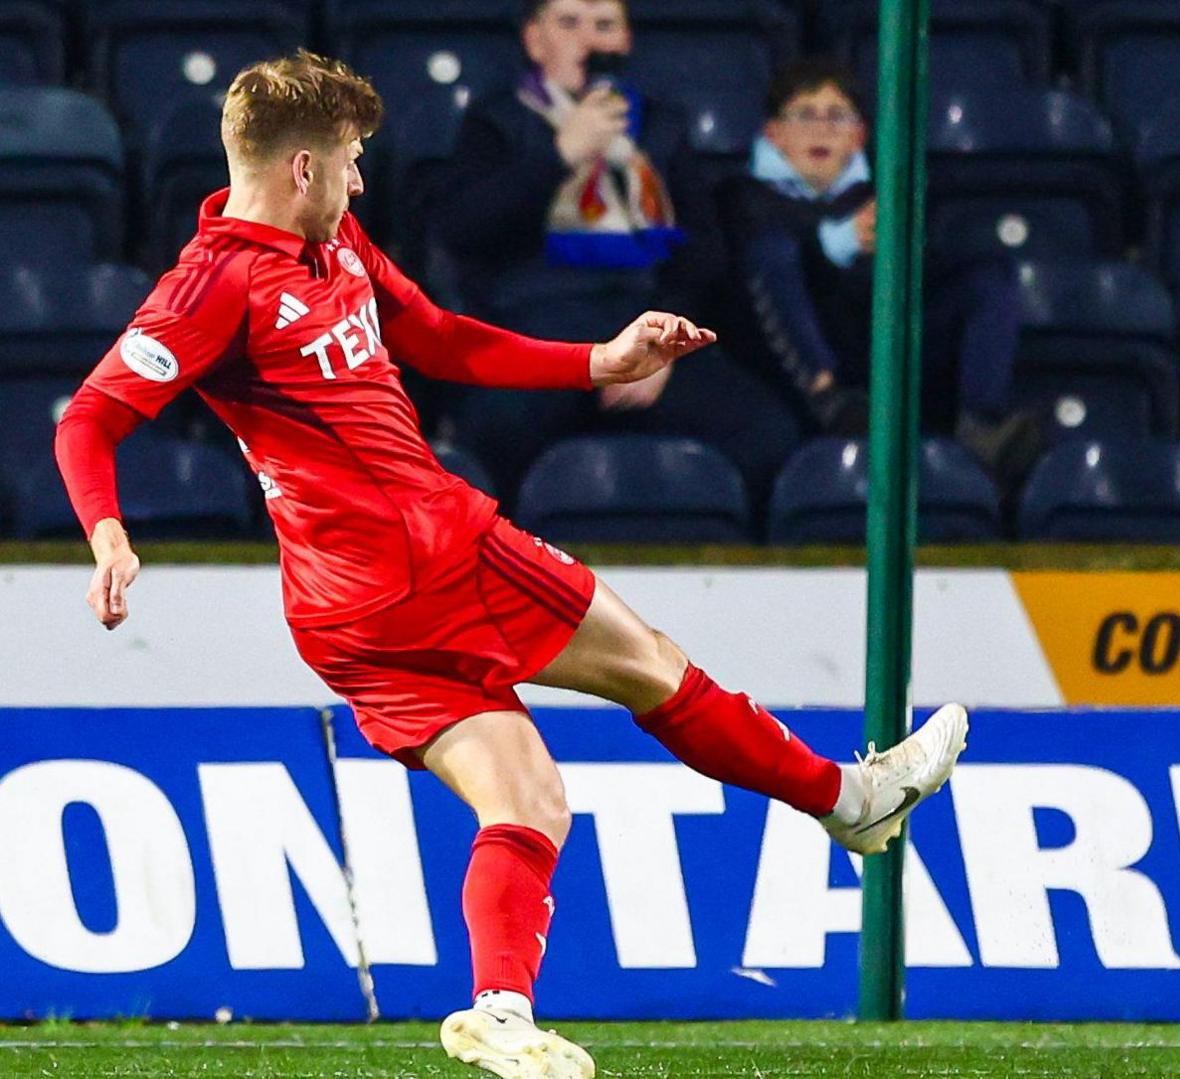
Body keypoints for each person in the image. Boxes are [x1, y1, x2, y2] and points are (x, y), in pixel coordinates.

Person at [52, 51, 967, 1079]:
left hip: (342, 609)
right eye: (351, 162)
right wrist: (108, 529)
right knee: (651, 665)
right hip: (429, 550)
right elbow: (89, 418)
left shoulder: (335, 241)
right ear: (302, 168)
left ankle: (498, 1013)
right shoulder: (213, 282)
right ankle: (845, 798)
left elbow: (436, 336)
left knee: (527, 800)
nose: (361, 182)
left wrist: (596, 362)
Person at [431, 0, 801, 502]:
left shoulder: (660, 128)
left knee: (769, 435)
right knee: (487, 441)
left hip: (643, 323)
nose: (589, 40)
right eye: (569, 23)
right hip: (537, 334)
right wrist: (560, 154)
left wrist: (665, 343)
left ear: (625, 40)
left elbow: (703, 254)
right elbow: (464, 232)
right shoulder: (497, 122)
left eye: (604, 25)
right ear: (535, 40)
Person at [719, 57, 1043, 480]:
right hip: (784, 375)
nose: (821, 130)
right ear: (774, 135)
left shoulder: (880, 199)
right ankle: (829, 400)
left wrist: (904, 249)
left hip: (874, 355)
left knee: (987, 277)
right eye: (804, 115)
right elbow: (760, 278)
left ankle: (980, 426)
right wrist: (840, 243)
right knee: (774, 254)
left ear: (858, 137)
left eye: (837, 117)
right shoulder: (740, 196)